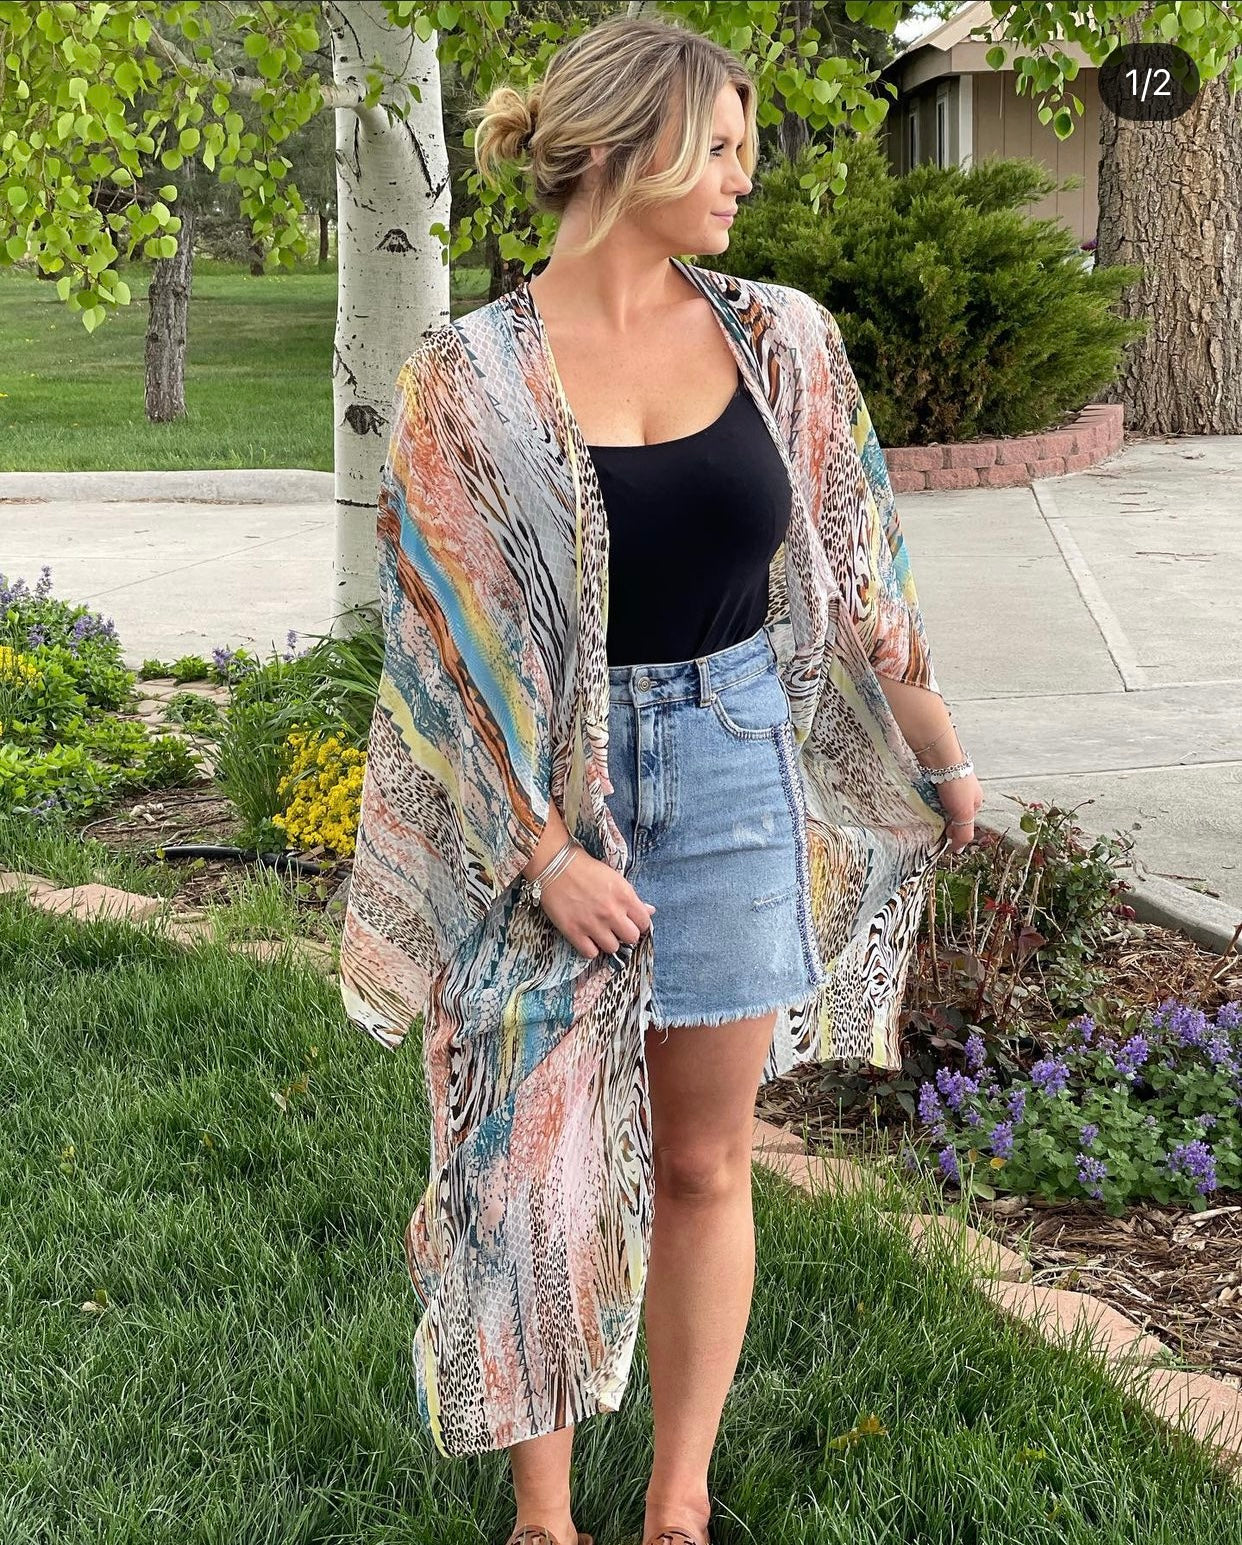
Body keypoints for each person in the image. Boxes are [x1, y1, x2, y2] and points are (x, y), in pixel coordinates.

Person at [339, 14, 983, 1545]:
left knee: (701, 1161)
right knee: (529, 1166)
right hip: (544, 814)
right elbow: (441, 653)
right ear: (632, 149)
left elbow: (862, 570)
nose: (745, 178)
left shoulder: (781, 340)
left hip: (734, 767)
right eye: (724, 149)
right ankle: (543, 1519)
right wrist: (539, 849)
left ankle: (676, 1507)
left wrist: (936, 749)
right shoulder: (466, 379)